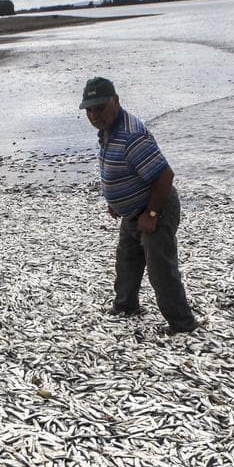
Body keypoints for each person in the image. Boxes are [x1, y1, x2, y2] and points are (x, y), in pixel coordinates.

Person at [80, 77, 198, 335]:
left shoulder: (131, 135)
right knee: (127, 260)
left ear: (116, 101)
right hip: (133, 212)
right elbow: (120, 168)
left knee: (161, 270)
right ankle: (126, 306)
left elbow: (165, 176)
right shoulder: (110, 128)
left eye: (99, 107)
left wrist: (152, 214)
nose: (94, 115)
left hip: (156, 208)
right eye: (89, 109)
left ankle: (183, 324)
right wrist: (116, 202)